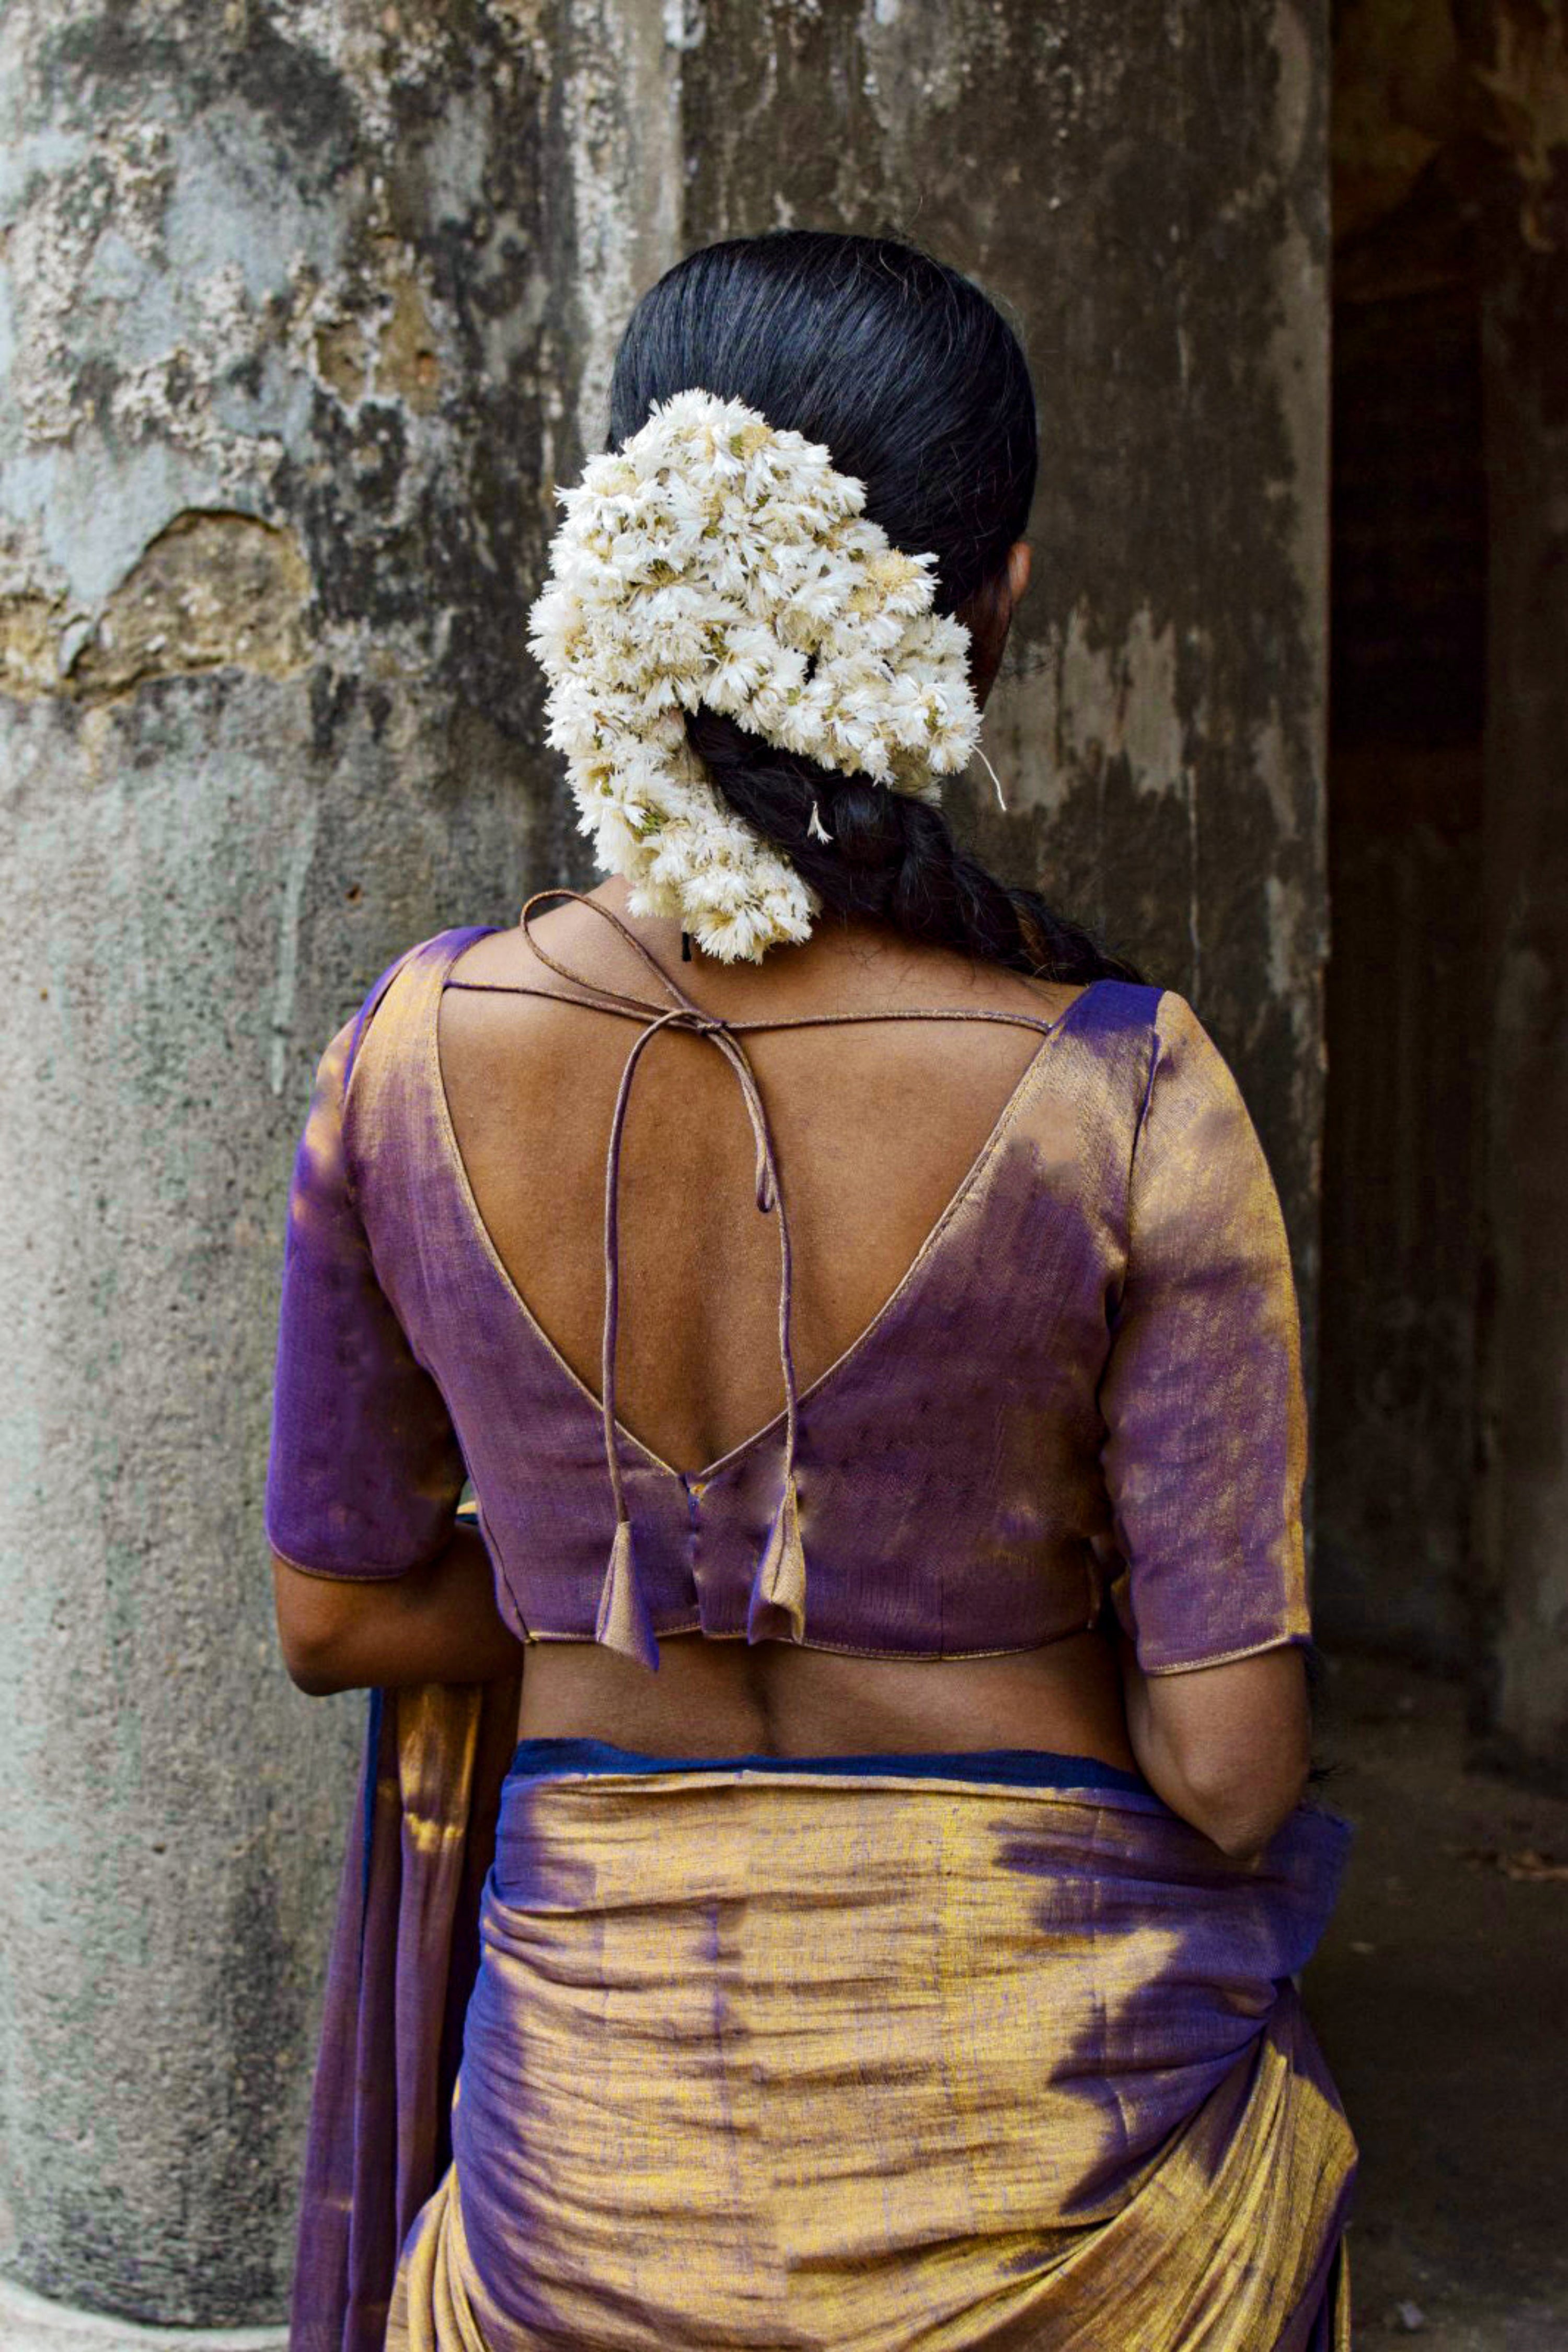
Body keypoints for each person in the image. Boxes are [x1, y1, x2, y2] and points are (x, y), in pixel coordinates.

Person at [266, 229, 1355, 2352]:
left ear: (628, 553)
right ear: (997, 599)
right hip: (1068, 2181)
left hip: (580, 2193)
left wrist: (606, 1573)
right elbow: (1232, 1766)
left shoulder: (409, 1052)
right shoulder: (1117, 1088)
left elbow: (333, 1616)